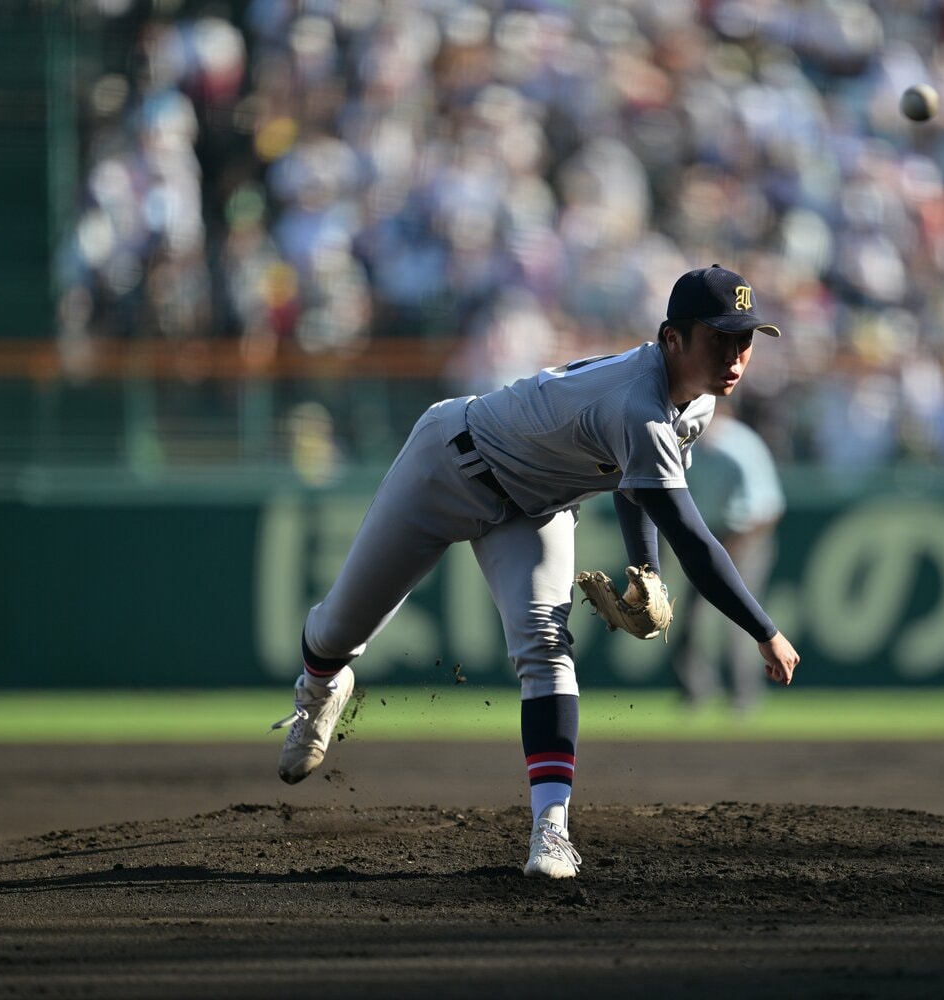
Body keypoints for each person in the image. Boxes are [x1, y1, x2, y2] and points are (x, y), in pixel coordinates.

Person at [271, 264, 801, 879]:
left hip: (537, 510)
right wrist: (763, 628)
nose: (736, 356)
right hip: (448, 465)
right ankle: (320, 690)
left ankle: (551, 831)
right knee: (339, 629)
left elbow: (637, 489)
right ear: (672, 339)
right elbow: (692, 534)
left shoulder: (697, 404)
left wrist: (644, 573)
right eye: (720, 338)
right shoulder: (636, 402)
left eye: (746, 341)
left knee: (547, 650)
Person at [673, 407, 786, 715]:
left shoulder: (741, 447)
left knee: (741, 623)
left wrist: (729, 549)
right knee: (689, 621)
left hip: (746, 538)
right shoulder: (685, 445)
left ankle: (743, 697)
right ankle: (696, 692)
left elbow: (768, 510)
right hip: (708, 537)